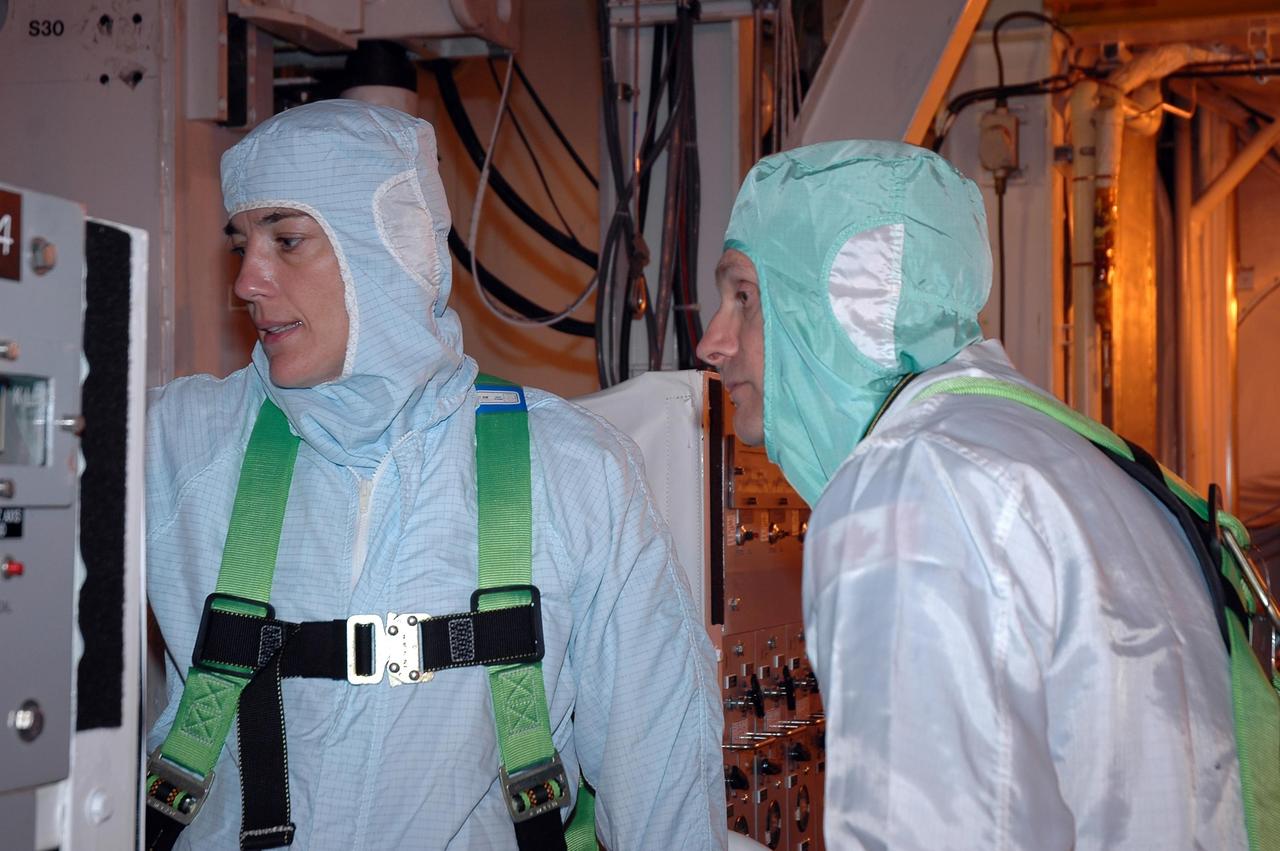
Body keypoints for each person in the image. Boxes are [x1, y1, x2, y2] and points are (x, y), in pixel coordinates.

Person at [145, 100, 724, 850]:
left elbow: (665, 790)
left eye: (288, 239)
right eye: (241, 244)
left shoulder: (573, 471)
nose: (248, 282)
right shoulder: (176, 446)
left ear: (386, 247)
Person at [696, 140, 1247, 849]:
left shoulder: (909, 490)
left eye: (744, 296)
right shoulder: (1054, 451)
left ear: (842, 309)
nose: (713, 340)